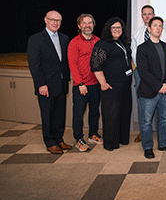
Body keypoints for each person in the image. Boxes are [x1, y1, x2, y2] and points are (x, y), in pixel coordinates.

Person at [27, 10, 71, 154]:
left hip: (61, 85)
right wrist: (40, 84)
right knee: (47, 115)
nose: (55, 23)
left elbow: (64, 63)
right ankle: (50, 141)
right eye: (52, 20)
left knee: (60, 115)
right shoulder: (36, 39)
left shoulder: (64, 38)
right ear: (45, 20)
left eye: (58, 20)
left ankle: (59, 139)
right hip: (46, 85)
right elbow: (34, 64)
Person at [137, 17, 166, 159]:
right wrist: (159, 86)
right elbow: (143, 72)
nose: (158, 28)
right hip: (149, 91)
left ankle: (164, 144)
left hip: (165, 91)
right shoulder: (142, 48)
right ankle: (148, 147)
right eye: (155, 26)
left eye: (160, 26)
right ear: (149, 29)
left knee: (164, 119)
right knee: (146, 122)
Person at [90, 17, 133, 151]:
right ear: (109, 29)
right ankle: (110, 143)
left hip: (125, 84)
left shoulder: (124, 43)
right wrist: (103, 83)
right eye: (113, 28)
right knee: (111, 115)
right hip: (111, 85)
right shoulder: (102, 44)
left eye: (119, 28)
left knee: (125, 112)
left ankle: (122, 139)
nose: (116, 30)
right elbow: (96, 66)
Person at [131, 5, 166, 143]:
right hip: (141, 73)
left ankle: (161, 133)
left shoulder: (162, 32)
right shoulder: (136, 33)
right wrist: (140, 70)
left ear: (154, 15)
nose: (147, 16)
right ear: (141, 17)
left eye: (150, 14)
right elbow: (134, 53)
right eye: (144, 14)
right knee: (143, 105)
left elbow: (163, 53)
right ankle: (143, 132)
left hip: (159, 75)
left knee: (161, 104)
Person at [67, 14, 102, 152]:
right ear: (79, 26)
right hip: (81, 85)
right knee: (79, 113)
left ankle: (93, 134)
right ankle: (79, 139)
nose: (87, 25)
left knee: (94, 112)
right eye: (84, 23)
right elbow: (73, 65)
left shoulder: (98, 41)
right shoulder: (74, 42)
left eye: (90, 23)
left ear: (93, 25)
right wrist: (80, 83)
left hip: (96, 84)